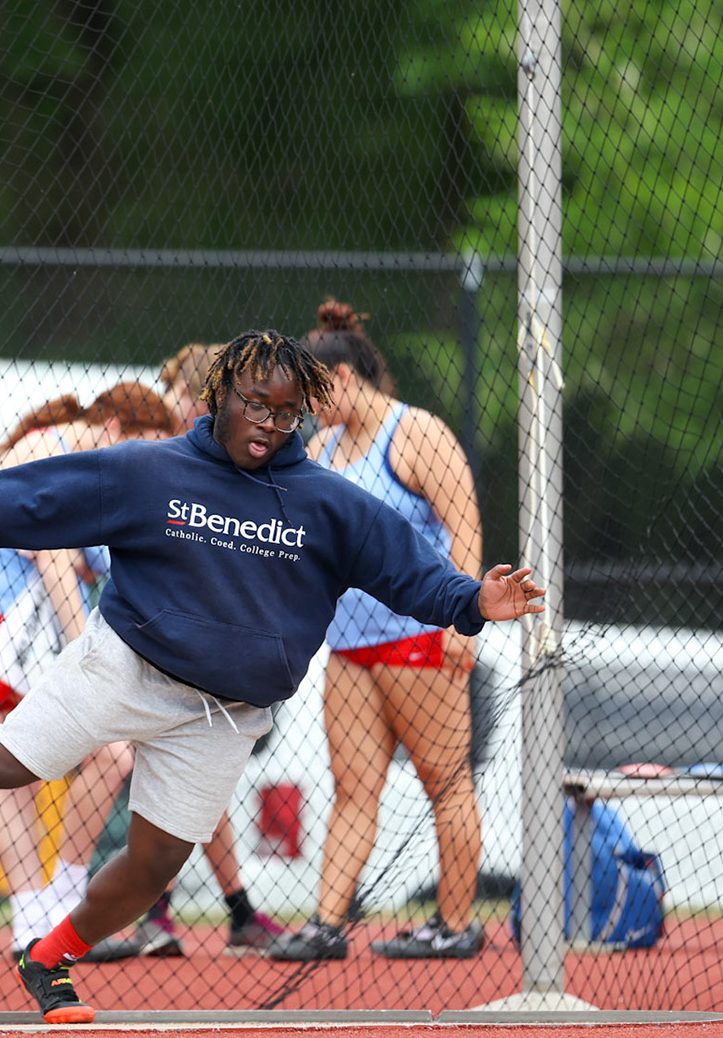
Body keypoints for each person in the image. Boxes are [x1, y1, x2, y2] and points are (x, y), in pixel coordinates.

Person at [0, 329, 547, 1023]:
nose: (266, 423)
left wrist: (475, 599)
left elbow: (409, 570)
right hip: (125, 663)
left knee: (156, 865)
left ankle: (48, 958)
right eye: (252, 404)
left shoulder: (327, 502)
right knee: (7, 762)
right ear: (217, 395)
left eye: (283, 411)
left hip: (226, 714)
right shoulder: (152, 470)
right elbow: (42, 500)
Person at [265, 300, 485, 962]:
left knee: (446, 783)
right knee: (353, 790)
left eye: (314, 393)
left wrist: (464, 624)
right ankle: (327, 925)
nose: (308, 409)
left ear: (346, 376)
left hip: (419, 638)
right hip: (352, 647)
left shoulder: (417, 434)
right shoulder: (323, 449)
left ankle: (454, 925)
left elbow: (465, 526)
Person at [71, 345, 286, 961]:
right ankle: (117, 910)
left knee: (191, 778)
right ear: (200, 400)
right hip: (133, 638)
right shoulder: (160, 444)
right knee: (134, 770)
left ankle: (218, 911)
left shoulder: (207, 452)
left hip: (178, 640)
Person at [0, 385, 176, 951]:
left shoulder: (100, 475)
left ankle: (59, 902)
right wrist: (89, 651)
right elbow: (55, 560)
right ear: (112, 429)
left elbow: (97, 564)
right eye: (143, 449)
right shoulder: (46, 451)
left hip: (47, 629)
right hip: (9, 628)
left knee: (107, 758)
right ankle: (34, 916)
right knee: (18, 770)